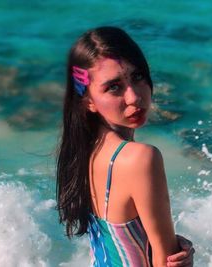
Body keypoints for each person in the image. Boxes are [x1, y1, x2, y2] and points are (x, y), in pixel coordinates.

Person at [56, 26, 194, 267]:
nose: (134, 97)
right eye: (114, 87)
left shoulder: (85, 153)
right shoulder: (139, 158)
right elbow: (166, 262)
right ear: (88, 101)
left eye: (138, 76)